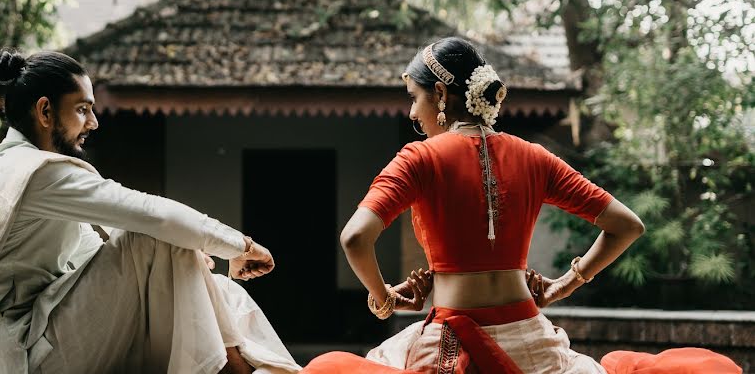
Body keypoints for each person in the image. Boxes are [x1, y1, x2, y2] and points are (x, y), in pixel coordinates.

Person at [301, 37, 741, 374]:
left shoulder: (419, 158)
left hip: (452, 341)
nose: (413, 114)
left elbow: (355, 237)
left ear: (439, 94)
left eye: (415, 98)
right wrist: (566, 284)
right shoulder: (534, 156)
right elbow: (628, 225)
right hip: (531, 339)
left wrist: (382, 300)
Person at [0, 49, 301, 374]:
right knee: (155, 235)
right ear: (45, 111)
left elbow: (91, 249)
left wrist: (180, 259)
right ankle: (236, 369)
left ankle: (240, 366)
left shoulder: (8, 165)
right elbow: (149, 213)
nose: (94, 122)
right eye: (82, 109)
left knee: (189, 261)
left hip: (36, 336)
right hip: (24, 357)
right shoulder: (37, 172)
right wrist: (240, 245)